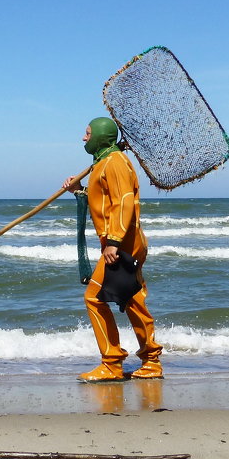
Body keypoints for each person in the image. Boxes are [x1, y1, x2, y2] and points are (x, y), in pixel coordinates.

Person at [62, 116, 162, 382]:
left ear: (101, 137)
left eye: (87, 133)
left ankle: (112, 362)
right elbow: (104, 202)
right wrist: (79, 189)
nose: (84, 138)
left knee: (94, 298)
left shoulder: (115, 162)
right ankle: (151, 361)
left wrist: (114, 242)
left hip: (124, 243)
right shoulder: (103, 162)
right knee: (132, 299)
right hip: (123, 242)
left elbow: (123, 203)